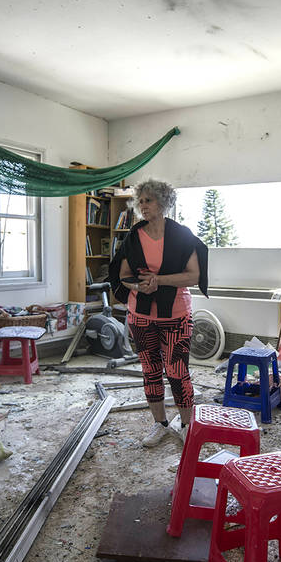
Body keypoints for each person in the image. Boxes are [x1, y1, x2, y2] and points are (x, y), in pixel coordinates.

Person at [111, 179, 208, 447]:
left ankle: (188, 426)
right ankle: (160, 424)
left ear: (163, 203)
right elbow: (123, 276)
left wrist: (159, 280)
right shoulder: (134, 235)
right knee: (150, 370)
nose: (143, 206)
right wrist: (139, 285)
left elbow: (194, 275)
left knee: (177, 371)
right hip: (140, 315)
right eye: (140, 201)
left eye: (148, 200)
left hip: (176, 314)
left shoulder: (182, 235)